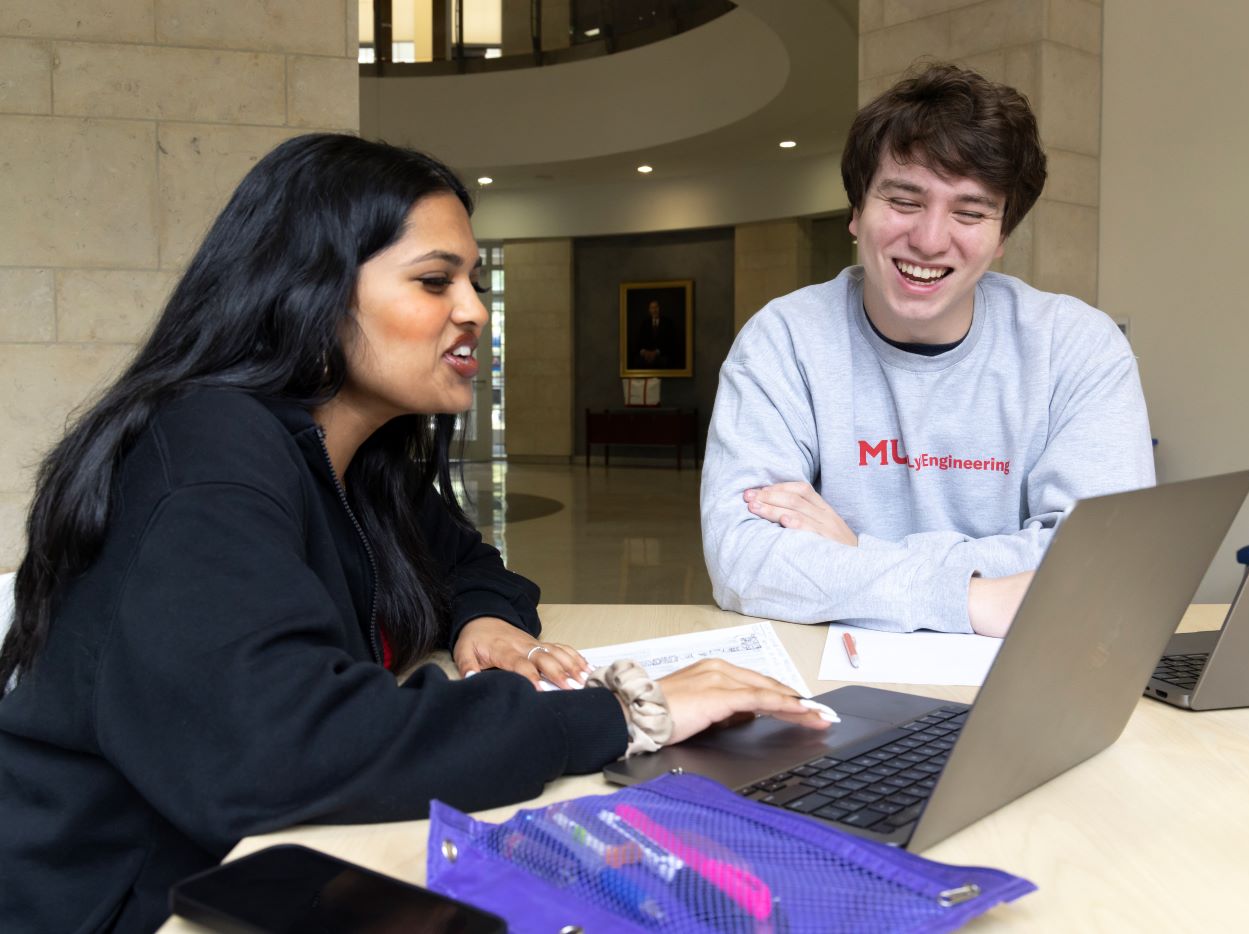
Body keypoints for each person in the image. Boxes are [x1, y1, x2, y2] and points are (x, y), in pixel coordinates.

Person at [0, 134, 829, 933]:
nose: (474, 311)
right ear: (310, 291)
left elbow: (472, 563)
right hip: (125, 905)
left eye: (472, 281)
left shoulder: (362, 461)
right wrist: (624, 713)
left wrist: (483, 619)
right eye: (436, 281)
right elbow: (279, 749)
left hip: (257, 862)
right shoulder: (209, 448)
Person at [701, 63, 1155, 637]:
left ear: (1001, 238)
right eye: (905, 200)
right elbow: (741, 558)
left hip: (1023, 675)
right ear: (856, 213)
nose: (931, 239)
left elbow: (1104, 562)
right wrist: (977, 601)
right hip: (831, 676)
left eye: (970, 211)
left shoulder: (1078, 348)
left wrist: (856, 551)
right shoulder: (784, 340)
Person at [633, 298, 681, 368]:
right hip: (646, 356)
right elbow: (639, 341)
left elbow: (671, 342)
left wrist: (656, 352)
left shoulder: (668, 323)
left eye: (656, 307)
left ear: (659, 309)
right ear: (649, 310)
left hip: (663, 355)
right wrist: (644, 352)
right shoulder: (644, 323)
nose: (654, 310)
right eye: (652, 308)